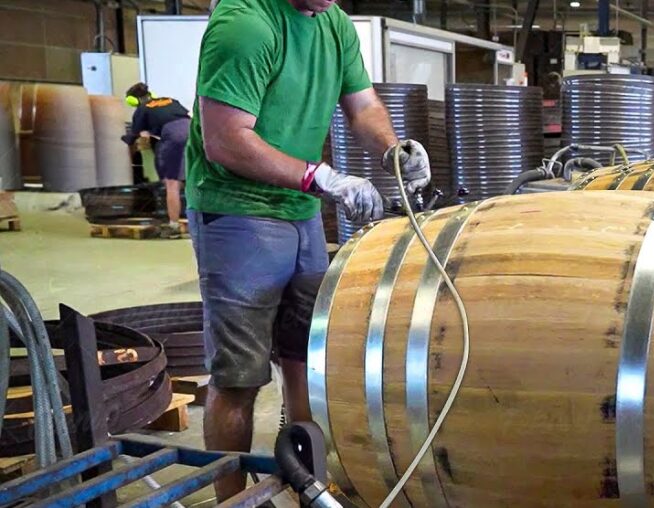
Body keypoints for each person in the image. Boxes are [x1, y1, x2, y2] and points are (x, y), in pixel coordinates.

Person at [186, 0, 431, 499]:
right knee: (239, 376)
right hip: (239, 212)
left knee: (305, 358)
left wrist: (392, 150)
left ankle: (307, 486)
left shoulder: (334, 23)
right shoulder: (246, 24)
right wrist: (317, 175)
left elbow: (362, 105)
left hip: (300, 212)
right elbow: (225, 140)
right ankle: (232, 497)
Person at [122, 83, 191, 238]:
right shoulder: (169, 100)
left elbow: (136, 136)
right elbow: (184, 117)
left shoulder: (142, 109)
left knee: (172, 183)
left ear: (133, 100)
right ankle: (201, 222)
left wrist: (127, 139)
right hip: (192, 132)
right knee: (192, 179)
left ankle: (173, 226)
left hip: (173, 136)